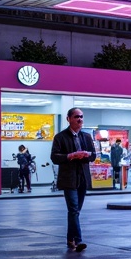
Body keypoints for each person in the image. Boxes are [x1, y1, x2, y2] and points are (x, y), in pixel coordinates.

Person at [50, 107, 94, 251]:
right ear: (68, 119)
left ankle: (70, 238)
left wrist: (86, 154)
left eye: (81, 116)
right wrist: (71, 155)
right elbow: (54, 157)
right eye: (76, 117)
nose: (79, 119)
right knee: (73, 209)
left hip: (83, 177)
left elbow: (93, 156)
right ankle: (78, 240)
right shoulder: (60, 137)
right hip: (69, 178)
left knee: (75, 211)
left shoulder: (86, 137)